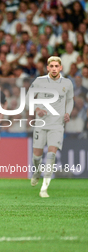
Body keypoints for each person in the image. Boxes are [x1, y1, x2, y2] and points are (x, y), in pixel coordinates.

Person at [29, 56, 74, 197]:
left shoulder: (67, 83)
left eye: (56, 66)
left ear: (60, 68)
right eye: (51, 66)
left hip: (57, 124)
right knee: (37, 156)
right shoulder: (39, 81)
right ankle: (36, 172)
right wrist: (37, 110)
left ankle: (44, 188)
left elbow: (70, 100)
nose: (54, 68)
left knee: (51, 154)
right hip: (41, 123)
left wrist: (68, 112)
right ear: (47, 68)